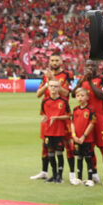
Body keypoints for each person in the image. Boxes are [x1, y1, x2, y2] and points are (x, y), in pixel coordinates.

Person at [30, 54, 75, 182]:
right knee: (46, 145)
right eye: (52, 60)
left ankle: (72, 174)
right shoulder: (46, 77)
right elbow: (38, 94)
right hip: (48, 115)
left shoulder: (67, 75)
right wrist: (47, 83)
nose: (54, 62)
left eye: (57, 60)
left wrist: (53, 79)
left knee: (67, 144)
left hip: (62, 115)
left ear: (61, 61)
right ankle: (44, 171)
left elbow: (68, 93)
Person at [75, 60, 103, 185]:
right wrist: (81, 81)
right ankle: (94, 173)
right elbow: (73, 93)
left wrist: (90, 82)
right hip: (86, 120)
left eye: (93, 65)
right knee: (90, 148)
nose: (90, 68)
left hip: (100, 119)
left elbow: (102, 95)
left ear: (98, 67)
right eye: (88, 66)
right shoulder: (82, 79)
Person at [40, 79, 71, 183]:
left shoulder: (63, 101)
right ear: (48, 87)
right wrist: (44, 118)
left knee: (59, 153)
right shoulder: (45, 101)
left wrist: (57, 118)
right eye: (51, 86)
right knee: (50, 153)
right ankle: (53, 175)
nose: (53, 88)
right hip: (48, 131)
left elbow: (69, 115)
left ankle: (60, 176)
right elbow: (44, 114)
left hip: (59, 131)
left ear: (59, 88)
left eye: (56, 86)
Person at [70, 87, 96, 186]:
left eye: (82, 95)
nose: (80, 98)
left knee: (88, 158)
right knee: (79, 157)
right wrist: (74, 135)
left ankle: (90, 178)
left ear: (87, 97)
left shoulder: (90, 109)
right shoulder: (75, 109)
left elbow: (92, 123)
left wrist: (84, 136)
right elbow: (72, 123)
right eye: (78, 96)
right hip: (76, 138)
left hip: (87, 138)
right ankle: (79, 177)